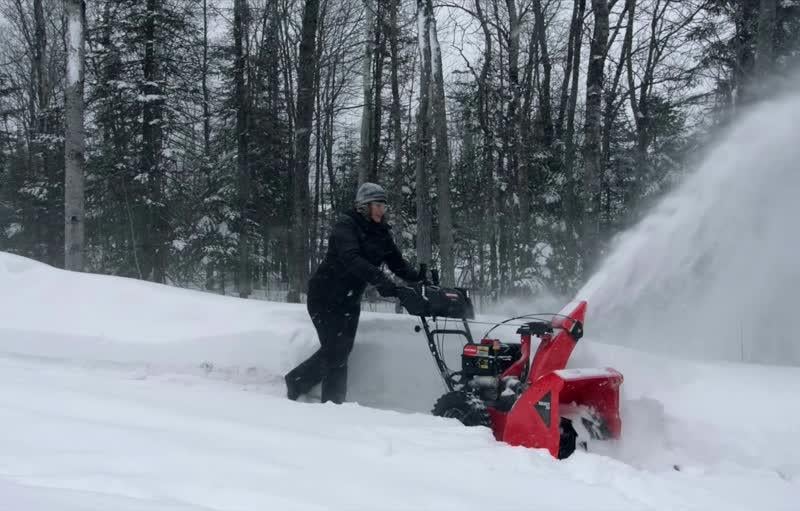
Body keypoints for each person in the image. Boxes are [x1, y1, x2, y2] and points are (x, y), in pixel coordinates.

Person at [284, 182, 423, 404]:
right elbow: (351, 258)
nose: (381, 210)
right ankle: (330, 404)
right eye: (377, 205)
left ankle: (300, 384)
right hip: (324, 297)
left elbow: (397, 263)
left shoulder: (381, 233)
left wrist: (418, 277)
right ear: (363, 206)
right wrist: (380, 280)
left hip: (349, 300)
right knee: (336, 351)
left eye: (383, 206)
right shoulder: (346, 226)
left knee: (340, 351)